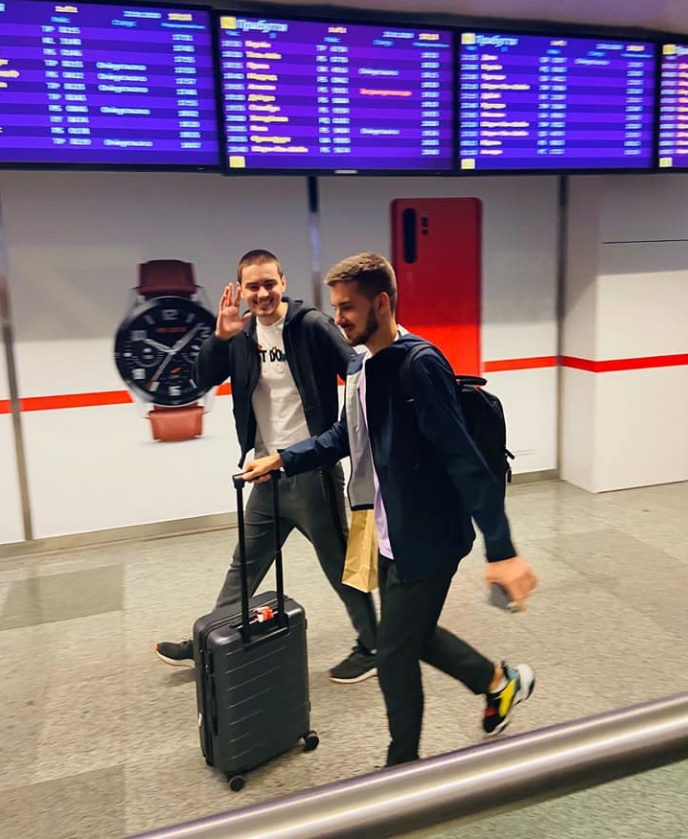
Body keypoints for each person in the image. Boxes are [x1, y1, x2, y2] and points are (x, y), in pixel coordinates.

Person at [243, 252, 538, 766]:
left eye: (348, 307)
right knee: (410, 635)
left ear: (381, 303)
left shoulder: (419, 366)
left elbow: (466, 462)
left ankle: (401, 771)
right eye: (336, 307)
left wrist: (503, 550)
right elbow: (345, 435)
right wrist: (284, 458)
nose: (339, 318)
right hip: (386, 529)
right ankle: (498, 682)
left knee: (394, 653)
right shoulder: (362, 367)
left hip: (428, 537)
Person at [155, 249, 378, 684]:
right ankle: (208, 642)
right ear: (241, 290)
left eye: (269, 284)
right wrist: (219, 339)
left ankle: (374, 646)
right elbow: (199, 379)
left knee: (338, 564)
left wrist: (339, 439)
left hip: (310, 471)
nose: (262, 294)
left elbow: (358, 375)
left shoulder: (311, 326)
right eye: (253, 286)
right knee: (245, 565)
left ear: (284, 283)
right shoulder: (240, 335)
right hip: (265, 471)